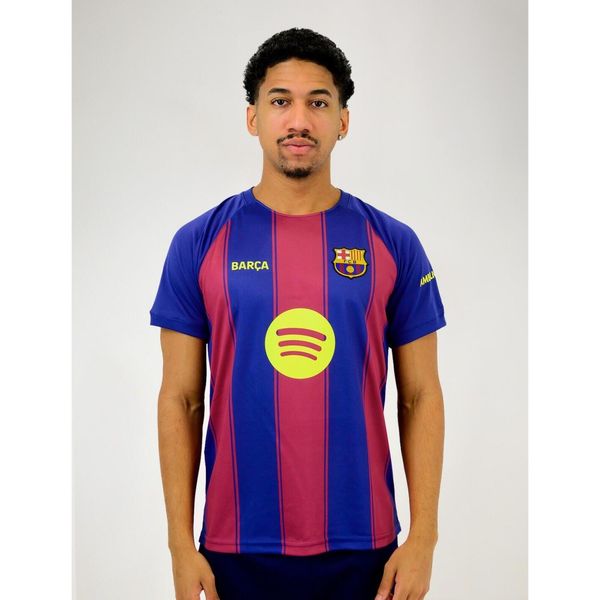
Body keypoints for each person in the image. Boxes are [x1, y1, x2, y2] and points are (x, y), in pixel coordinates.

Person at [150, 27, 446, 600]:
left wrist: (424, 540)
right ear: (253, 118)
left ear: (343, 121)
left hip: (367, 548)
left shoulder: (393, 242)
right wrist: (180, 546)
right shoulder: (199, 243)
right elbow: (180, 399)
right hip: (236, 547)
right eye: (280, 101)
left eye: (319, 103)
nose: (299, 120)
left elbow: (421, 396)